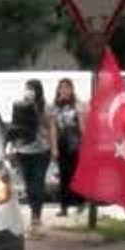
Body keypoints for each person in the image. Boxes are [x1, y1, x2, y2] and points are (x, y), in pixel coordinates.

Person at [8, 78, 54, 233]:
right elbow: (16, 128)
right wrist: (13, 147)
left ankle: (36, 216)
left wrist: (55, 149)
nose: (29, 91)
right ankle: (34, 212)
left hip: (42, 150)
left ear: (38, 90)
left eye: (32, 88)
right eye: (27, 87)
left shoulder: (45, 107)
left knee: (38, 182)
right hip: (24, 151)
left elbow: (52, 128)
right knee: (28, 184)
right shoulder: (20, 106)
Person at [52, 78, 86, 217]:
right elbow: (52, 127)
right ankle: (64, 206)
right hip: (62, 143)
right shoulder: (55, 106)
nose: (64, 90)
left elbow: (82, 126)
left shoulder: (77, 106)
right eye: (62, 87)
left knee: (76, 174)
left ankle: (80, 203)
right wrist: (54, 147)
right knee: (64, 176)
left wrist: (85, 144)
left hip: (75, 143)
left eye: (67, 87)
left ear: (72, 90)